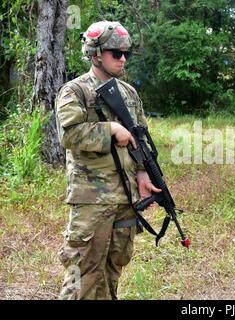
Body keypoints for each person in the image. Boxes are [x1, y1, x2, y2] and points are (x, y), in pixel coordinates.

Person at [55, 21, 161, 300]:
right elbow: (69, 136)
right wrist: (110, 130)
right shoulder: (75, 91)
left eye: (126, 53)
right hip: (92, 199)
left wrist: (142, 173)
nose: (123, 58)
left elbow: (141, 139)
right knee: (84, 273)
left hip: (125, 197)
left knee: (113, 269)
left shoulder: (129, 93)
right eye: (116, 53)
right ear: (95, 54)